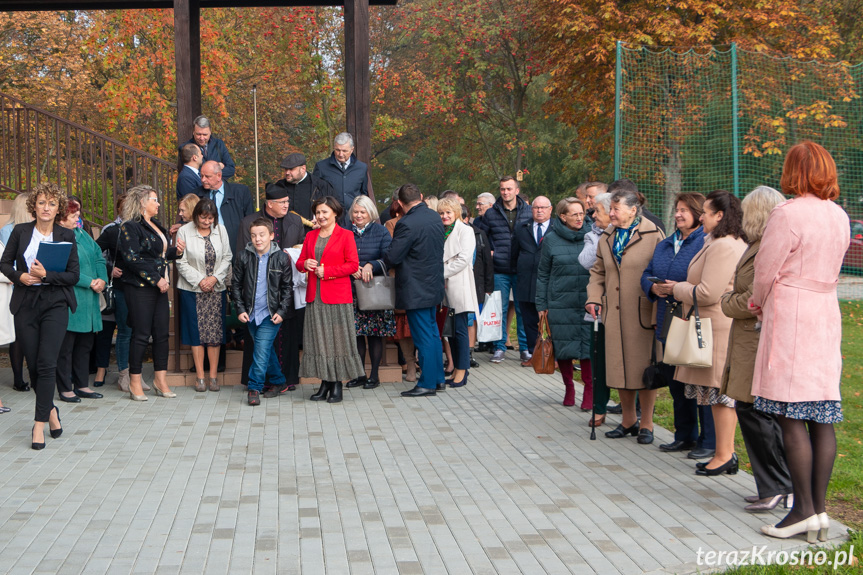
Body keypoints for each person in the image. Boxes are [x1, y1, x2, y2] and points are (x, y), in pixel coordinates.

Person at [751, 142, 849, 542]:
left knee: (791, 414)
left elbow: (765, 268)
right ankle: (819, 511)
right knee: (821, 412)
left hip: (792, 312)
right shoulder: (839, 215)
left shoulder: (787, 213)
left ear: (794, 171)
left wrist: (758, 303)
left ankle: (803, 512)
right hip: (826, 312)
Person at [720, 185, 792, 512]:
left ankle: (777, 485)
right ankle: (775, 485)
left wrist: (726, 301)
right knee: (754, 412)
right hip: (750, 338)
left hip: (756, 338)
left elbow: (752, 299)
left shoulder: (766, 248)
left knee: (756, 413)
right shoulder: (758, 245)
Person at [665, 190, 747, 472]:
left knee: (721, 396)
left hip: (715, 329)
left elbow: (709, 292)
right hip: (709, 327)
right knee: (714, 396)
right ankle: (723, 453)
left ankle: (724, 454)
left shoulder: (725, 245)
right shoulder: (716, 241)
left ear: (720, 215)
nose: (702, 217)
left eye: (707, 213)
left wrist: (675, 289)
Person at [0, 183, 80, 450]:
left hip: (55, 302)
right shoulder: (20, 232)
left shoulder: (67, 235)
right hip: (26, 302)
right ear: (34, 205)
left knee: (46, 363)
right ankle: (52, 411)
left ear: (59, 208)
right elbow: (3, 262)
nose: (47, 207)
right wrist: (18, 275)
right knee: (33, 366)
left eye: (52, 203)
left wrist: (47, 275)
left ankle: (38, 424)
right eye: (42, 202)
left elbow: (73, 276)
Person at [585, 179, 665, 444]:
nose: (612, 213)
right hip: (613, 315)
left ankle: (648, 424)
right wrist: (594, 298)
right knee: (619, 368)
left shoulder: (653, 235)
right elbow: (597, 272)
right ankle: (628, 420)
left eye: (617, 209)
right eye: (612, 209)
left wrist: (657, 315)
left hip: (643, 314)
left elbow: (660, 275)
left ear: (633, 210)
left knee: (644, 369)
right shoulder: (607, 236)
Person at [640, 193, 709, 455]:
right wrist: (652, 287)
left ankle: (708, 440)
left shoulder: (704, 243)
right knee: (675, 381)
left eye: (684, 210)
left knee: (698, 383)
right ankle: (684, 435)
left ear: (698, 213)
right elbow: (647, 272)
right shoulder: (666, 244)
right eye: (677, 210)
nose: (678, 214)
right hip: (666, 321)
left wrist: (676, 288)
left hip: (692, 321)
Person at [237, 184, 306, 394]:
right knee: (262, 347)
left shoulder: (295, 220)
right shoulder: (249, 222)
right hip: (254, 302)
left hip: (282, 296)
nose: (287, 205)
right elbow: (241, 268)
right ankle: (276, 380)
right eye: (282, 202)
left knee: (269, 344)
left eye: (287, 201)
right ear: (269, 204)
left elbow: (302, 249)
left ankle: (259, 386)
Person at [119, 185, 185, 400]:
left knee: (162, 334)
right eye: (154, 200)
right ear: (141, 202)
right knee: (140, 334)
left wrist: (177, 251)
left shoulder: (156, 225)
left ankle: (160, 379)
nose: (158, 204)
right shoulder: (129, 226)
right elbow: (133, 259)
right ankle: (135, 381)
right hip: (140, 287)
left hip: (160, 286)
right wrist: (156, 279)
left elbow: (159, 254)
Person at [297, 197, 365, 403]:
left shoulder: (345, 235)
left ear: (335, 213)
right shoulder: (310, 235)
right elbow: (300, 263)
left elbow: (353, 265)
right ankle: (324, 383)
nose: (321, 216)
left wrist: (328, 272)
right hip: (314, 296)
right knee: (318, 341)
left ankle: (337, 385)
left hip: (337, 296)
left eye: (325, 212)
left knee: (337, 341)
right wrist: (305, 263)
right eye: (318, 212)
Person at [384, 183, 446, 397]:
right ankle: (438, 379)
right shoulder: (434, 217)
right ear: (421, 196)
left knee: (423, 337)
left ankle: (427, 383)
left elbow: (393, 256)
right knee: (432, 333)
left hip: (415, 288)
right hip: (433, 285)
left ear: (400, 203)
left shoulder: (406, 223)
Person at [536, 198, 592, 408]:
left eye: (582, 213)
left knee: (587, 349)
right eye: (574, 214)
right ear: (563, 216)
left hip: (587, 301)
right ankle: (569, 387)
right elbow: (543, 274)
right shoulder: (551, 239)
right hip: (560, 302)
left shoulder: (593, 237)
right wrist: (541, 305)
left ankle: (589, 390)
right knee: (564, 348)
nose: (580, 218)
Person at [232, 218, 294, 406]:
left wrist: (282, 311)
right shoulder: (243, 256)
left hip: (271, 314)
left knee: (260, 351)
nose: (257, 239)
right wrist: (240, 309)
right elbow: (235, 285)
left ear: (271, 236)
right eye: (253, 235)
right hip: (251, 314)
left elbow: (287, 288)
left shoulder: (281, 258)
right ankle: (278, 381)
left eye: (262, 235)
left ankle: (254, 387)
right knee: (265, 351)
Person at [176, 199, 232, 392]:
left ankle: (214, 377)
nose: (207, 222)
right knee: (196, 333)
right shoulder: (184, 231)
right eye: (203, 217)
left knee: (215, 334)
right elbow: (180, 262)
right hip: (192, 289)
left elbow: (227, 257)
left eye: (210, 218)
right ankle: (200, 377)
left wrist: (214, 278)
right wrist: (201, 280)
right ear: (196, 215)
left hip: (216, 289)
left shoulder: (221, 230)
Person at [55, 197, 108, 403]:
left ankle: (82, 385)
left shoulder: (81, 233)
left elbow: (98, 257)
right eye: (74, 216)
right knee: (67, 347)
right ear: (61, 218)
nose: (79, 219)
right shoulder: (58, 236)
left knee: (85, 344)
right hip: (72, 296)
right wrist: (89, 282)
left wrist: (102, 279)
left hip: (90, 299)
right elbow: (62, 268)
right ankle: (65, 387)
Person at [475, 176, 531, 363]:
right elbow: (482, 236)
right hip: (499, 268)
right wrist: (490, 251)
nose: (505, 192)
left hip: (522, 268)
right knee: (499, 308)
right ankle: (499, 347)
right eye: (502, 189)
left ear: (516, 190)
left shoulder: (528, 212)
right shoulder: (491, 213)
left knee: (523, 309)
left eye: (509, 189)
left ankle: (525, 348)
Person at [346, 196, 394, 390]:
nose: (358, 215)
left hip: (374, 291)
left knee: (374, 334)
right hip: (351, 289)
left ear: (370, 213)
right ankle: (359, 374)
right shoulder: (345, 232)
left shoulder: (381, 231)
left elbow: (389, 257)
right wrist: (350, 267)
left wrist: (370, 265)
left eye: (362, 212)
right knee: (356, 335)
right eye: (356, 212)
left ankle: (374, 375)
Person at [438, 196, 478, 388]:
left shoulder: (466, 230)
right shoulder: (442, 231)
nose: (445, 216)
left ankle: (462, 370)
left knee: (460, 330)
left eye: (448, 212)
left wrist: (440, 272)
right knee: (450, 331)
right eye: (441, 213)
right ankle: (455, 369)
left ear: (456, 213)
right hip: (444, 287)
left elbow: (463, 259)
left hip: (459, 284)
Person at [579, 192, 612, 426]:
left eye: (597, 210)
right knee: (598, 359)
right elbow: (587, 262)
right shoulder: (593, 234)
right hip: (599, 309)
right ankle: (599, 407)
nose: (592, 214)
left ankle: (637, 413)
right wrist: (601, 234)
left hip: (627, 308)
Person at [511, 196, 554, 366]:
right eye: (536, 207)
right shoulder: (522, 228)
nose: (539, 210)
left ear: (550, 209)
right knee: (529, 320)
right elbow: (513, 254)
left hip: (549, 283)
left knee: (550, 320)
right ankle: (533, 354)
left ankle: (552, 355)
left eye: (543, 207)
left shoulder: (557, 228)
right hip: (526, 282)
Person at [0, 192, 33, 392]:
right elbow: (6, 261)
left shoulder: (35, 229)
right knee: (18, 334)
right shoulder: (7, 231)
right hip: (16, 286)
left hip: (33, 284)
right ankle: (18, 378)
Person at [313, 132, 369, 227]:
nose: (340, 154)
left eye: (344, 151)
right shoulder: (321, 167)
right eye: (337, 150)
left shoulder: (362, 168)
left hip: (354, 220)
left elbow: (364, 194)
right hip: (329, 220)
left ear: (352, 150)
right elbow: (314, 194)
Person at [196, 160, 254, 254]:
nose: (203, 180)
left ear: (219, 176)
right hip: (206, 248)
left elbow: (251, 221)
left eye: (207, 176)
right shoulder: (196, 195)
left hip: (236, 246)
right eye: (201, 176)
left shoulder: (241, 192)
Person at [268, 153, 334, 225]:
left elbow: (335, 209)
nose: (287, 172)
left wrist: (322, 222)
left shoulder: (320, 185)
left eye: (291, 169)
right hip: (286, 233)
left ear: (303, 169)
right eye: (286, 169)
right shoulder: (280, 186)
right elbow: (270, 209)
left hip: (313, 232)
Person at [179, 115, 235, 179]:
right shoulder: (185, 148)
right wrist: (217, 167)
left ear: (210, 132)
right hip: (197, 187)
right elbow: (191, 174)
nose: (202, 138)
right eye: (198, 134)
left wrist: (206, 174)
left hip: (218, 188)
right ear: (193, 132)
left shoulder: (219, 144)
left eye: (205, 134)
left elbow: (231, 170)